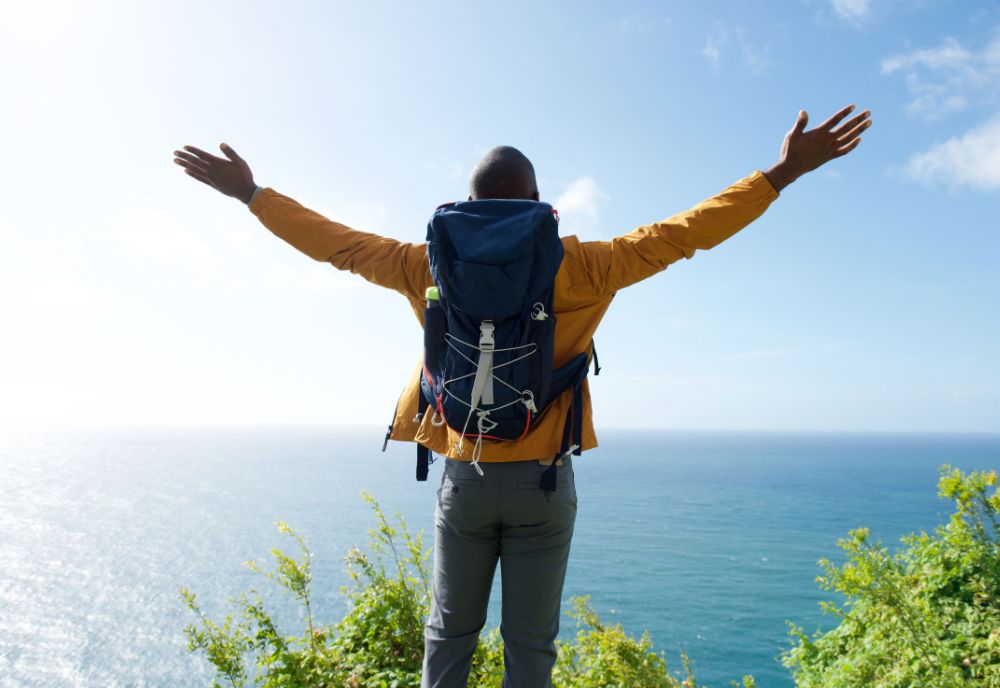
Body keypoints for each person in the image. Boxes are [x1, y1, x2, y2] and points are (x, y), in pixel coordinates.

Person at [173, 104, 871, 688]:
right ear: (543, 208)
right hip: (544, 484)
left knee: (449, 636)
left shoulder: (425, 264)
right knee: (531, 646)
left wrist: (252, 195)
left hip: (465, 478)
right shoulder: (588, 266)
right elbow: (684, 235)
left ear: (466, 206)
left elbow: (339, 245)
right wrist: (780, 174)